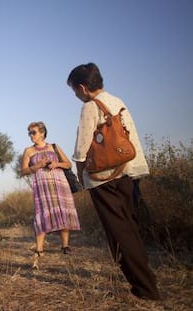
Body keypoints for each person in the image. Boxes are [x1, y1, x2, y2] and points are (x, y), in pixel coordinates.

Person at [67, 62, 160, 300]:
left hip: (103, 179)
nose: (77, 96)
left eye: (75, 92)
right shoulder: (118, 100)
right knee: (130, 230)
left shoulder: (90, 106)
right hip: (127, 173)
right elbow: (131, 138)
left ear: (82, 88)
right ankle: (147, 282)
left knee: (119, 235)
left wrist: (80, 174)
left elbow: (82, 147)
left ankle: (144, 289)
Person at [21, 121, 81, 268]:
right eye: (29, 133)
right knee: (42, 214)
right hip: (42, 186)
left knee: (63, 211)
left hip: (59, 183)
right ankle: (39, 249)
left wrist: (57, 164)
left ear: (42, 133)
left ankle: (65, 246)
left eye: (33, 132)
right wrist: (38, 165)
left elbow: (68, 164)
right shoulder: (29, 151)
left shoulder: (54, 147)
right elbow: (23, 171)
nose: (31, 136)